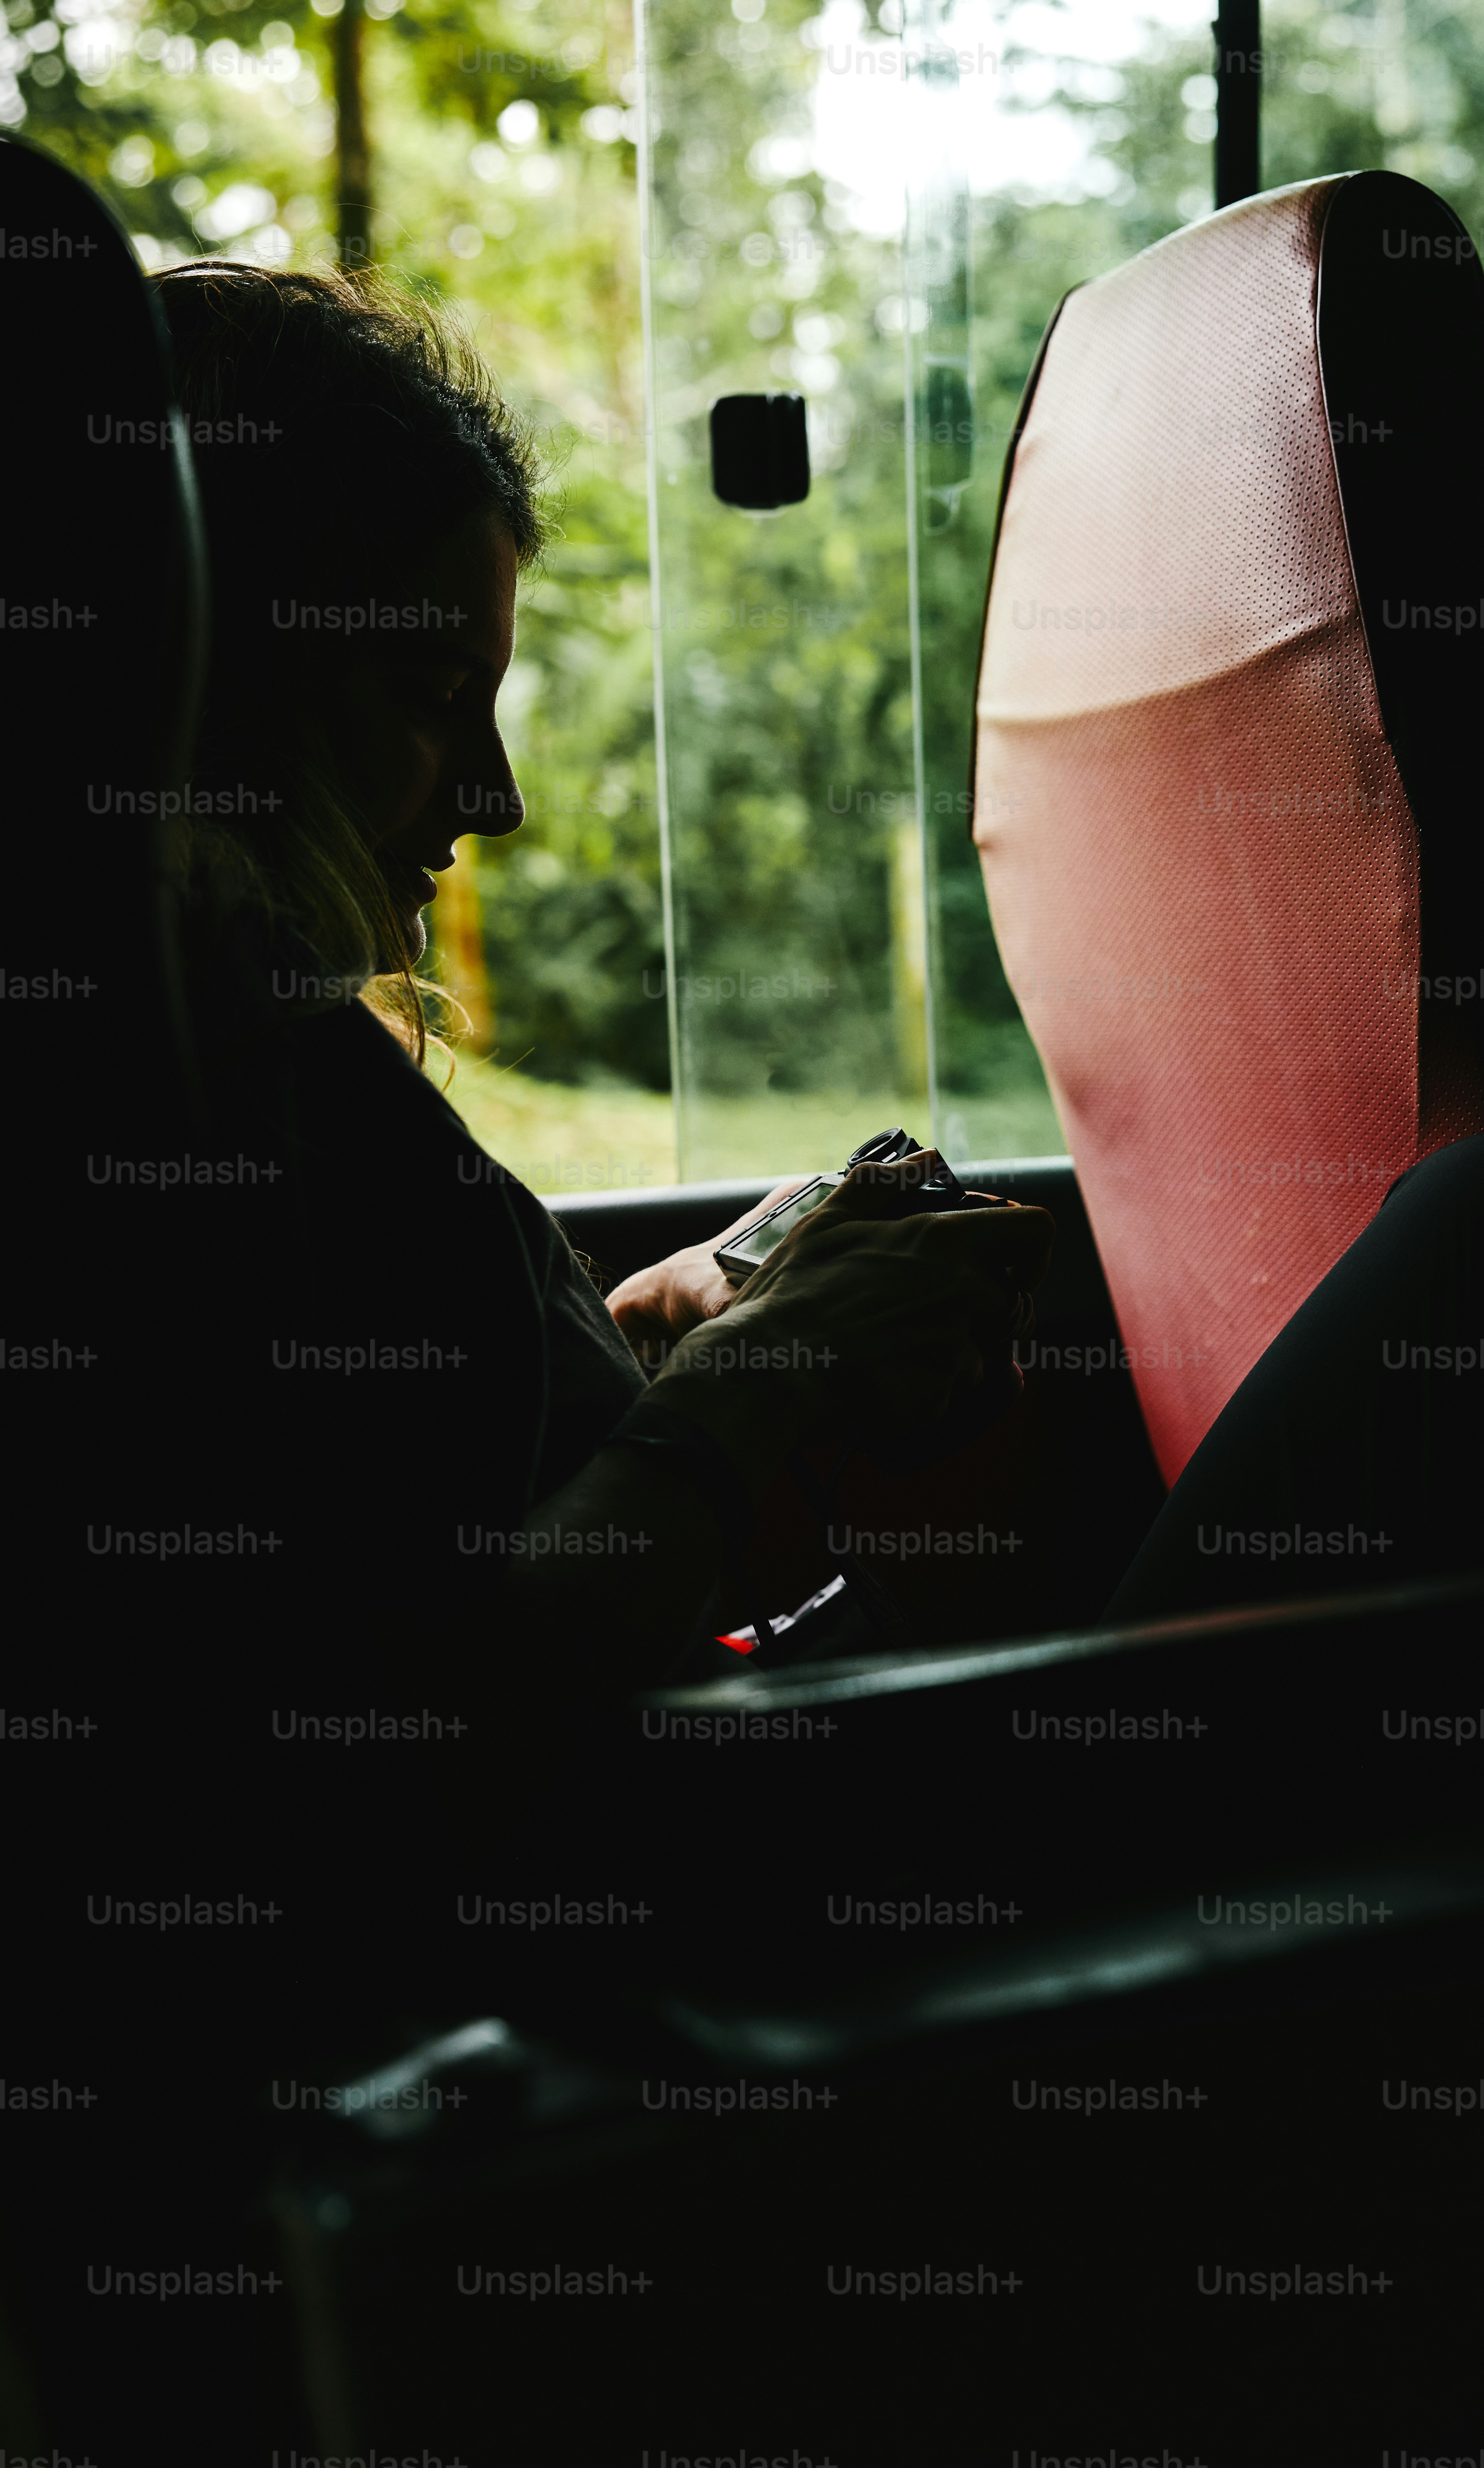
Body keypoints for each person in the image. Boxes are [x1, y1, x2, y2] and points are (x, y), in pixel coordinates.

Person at [144, 260, 1055, 1708]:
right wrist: (777, 1362)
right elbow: (466, 1713)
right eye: (437, 696)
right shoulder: (248, 1091)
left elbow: (423, 1490)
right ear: (214, 682)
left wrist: (647, 1332)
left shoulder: (237, 1050)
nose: (496, 797)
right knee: (1452, 1219)